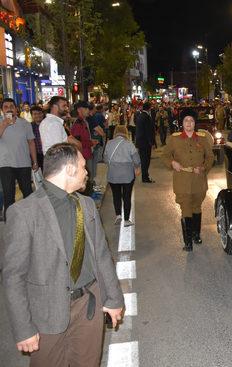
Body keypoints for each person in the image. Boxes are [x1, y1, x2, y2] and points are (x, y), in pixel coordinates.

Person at [1, 142, 124, 367]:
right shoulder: (24, 212)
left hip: (88, 305)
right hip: (46, 313)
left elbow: (102, 255)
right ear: (69, 169)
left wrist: (114, 299)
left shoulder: (86, 205)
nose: (87, 171)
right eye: (82, 166)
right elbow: (13, 276)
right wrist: (23, 328)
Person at [164, 109, 214, 251]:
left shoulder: (202, 138)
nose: (189, 123)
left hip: (199, 180)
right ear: (182, 123)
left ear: (194, 123)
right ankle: (188, 243)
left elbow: (210, 157)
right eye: (186, 120)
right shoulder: (174, 139)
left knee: (197, 207)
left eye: (191, 121)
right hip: (182, 181)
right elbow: (165, 155)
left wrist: (204, 168)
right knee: (186, 208)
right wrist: (172, 163)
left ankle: (196, 234)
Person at [0, 98, 38, 216]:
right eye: (6, 107)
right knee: (9, 196)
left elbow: (31, 143)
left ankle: (31, 219)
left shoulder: (25, 123)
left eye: (12, 106)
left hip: (24, 164)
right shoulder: (1, 123)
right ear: (2, 110)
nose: (9, 108)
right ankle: (10, 225)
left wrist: (35, 161)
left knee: (28, 194)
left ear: (16, 109)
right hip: (5, 164)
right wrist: (5, 124)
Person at [104, 125, 140, 227]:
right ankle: (127, 220)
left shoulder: (109, 143)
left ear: (115, 132)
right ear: (126, 132)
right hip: (127, 174)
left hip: (113, 174)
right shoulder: (129, 144)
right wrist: (137, 167)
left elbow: (105, 159)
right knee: (126, 197)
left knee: (116, 195)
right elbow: (136, 159)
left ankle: (118, 215)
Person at [70, 101, 94, 190]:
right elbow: (76, 143)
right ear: (79, 110)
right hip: (82, 156)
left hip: (86, 154)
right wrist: (90, 143)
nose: (88, 110)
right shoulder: (77, 124)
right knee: (84, 179)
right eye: (86, 108)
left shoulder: (83, 122)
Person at [135, 102, 155, 183]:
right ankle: (145, 177)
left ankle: (145, 176)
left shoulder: (140, 115)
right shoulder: (146, 116)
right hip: (145, 142)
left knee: (144, 160)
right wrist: (152, 142)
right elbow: (148, 131)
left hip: (141, 141)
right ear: (149, 108)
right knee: (145, 160)